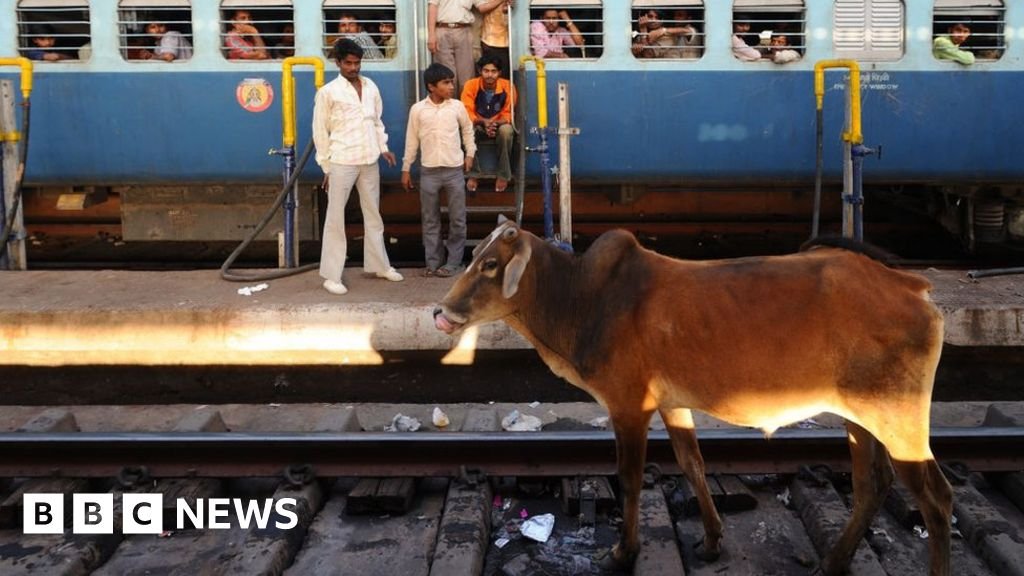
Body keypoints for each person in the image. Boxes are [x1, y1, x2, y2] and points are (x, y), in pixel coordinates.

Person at [312, 38, 404, 296]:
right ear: (338, 63)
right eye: (349, 63)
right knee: (335, 218)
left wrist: (384, 148)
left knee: (373, 213)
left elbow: (377, 122)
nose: (354, 67)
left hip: (369, 159)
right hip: (341, 160)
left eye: (357, 62)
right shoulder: (328, 92)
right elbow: (320, 132)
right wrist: (326, 168)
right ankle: (331, 276)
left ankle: (379, 266)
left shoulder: (371, 86)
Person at [402, 63, 476, 278]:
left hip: (454, 170)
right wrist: (406, 168)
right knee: (430, 219)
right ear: (431, 87)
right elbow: (411, 140)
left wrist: (470, 154)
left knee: (458, 219)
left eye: (451, 82)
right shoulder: (418, 110)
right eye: (446, 83)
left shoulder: (457, 107)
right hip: (429, 172)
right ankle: (433, 264)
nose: (452, 86)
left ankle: (453, 263)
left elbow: (468, 131)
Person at [461, 54, 516, 194]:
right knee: (465, 130)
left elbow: (509, 113)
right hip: (478, 123)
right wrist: (483, 122)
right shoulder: (471, 85)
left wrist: (494, 123)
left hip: (498, 124)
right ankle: (474, 174)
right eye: (486, 71)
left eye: (493, 71)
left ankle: (503, 174)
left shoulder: (508, 86)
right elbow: (466, 111)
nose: (489, 75)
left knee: (506, 132)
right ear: (480, 71)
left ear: (499, 73)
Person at [427, 0, 501, 95]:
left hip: (464, 30)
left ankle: (466, 106)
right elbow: (433, 7)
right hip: (442, 29)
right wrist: (431, 34)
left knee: (466, 77)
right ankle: (448, 107)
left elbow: (482, 7)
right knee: (445, 75)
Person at [632, 9, 699, 59]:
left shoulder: (669, 36)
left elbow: (648, 55)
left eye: (658, 17)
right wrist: (635, 50)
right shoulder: (640, 34)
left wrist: (662, 31)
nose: (653, 20)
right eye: (650, 16)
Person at [479, 0, 513, 78]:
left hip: (505, 41)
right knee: (490, 73)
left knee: (503, 73)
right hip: (489, 40)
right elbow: (482, 8)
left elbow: (507, 9)